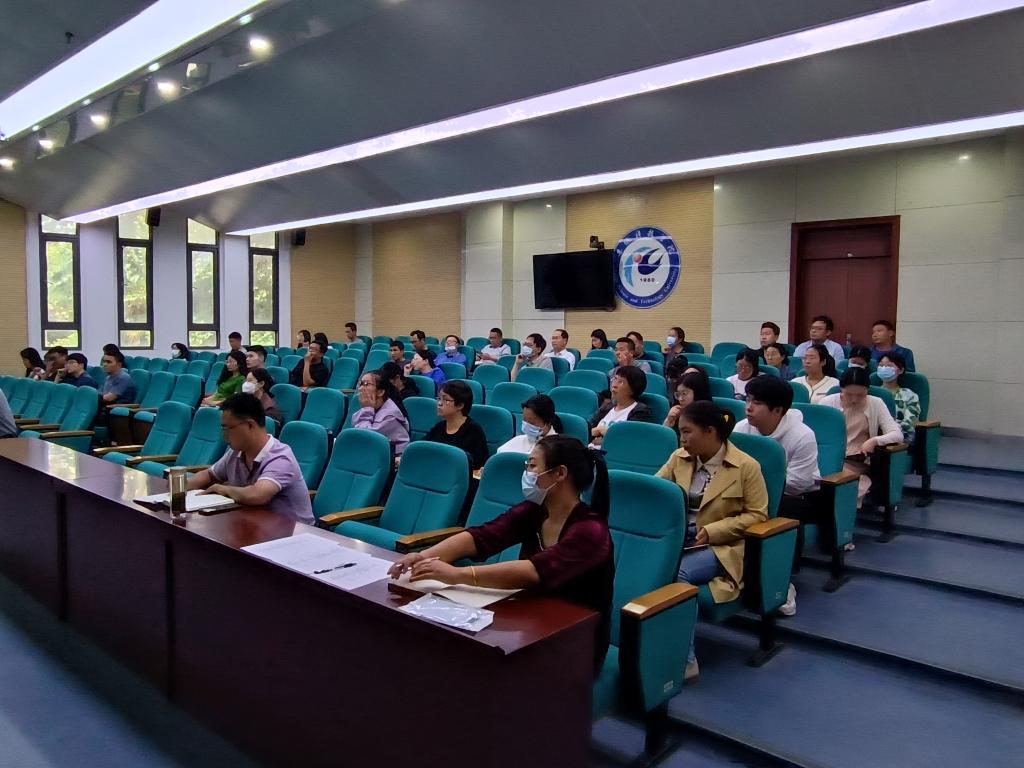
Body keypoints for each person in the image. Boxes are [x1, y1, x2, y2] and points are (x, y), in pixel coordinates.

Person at [388, 435, 614, 673]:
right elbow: (483, 536)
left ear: (559, 473)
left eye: (532, 465)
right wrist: (425, 556)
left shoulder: (590, 530)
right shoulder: (535, 511)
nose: (527, 473)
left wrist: (457, 575)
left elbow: (534, 571)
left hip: (576, 640)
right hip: (529, 618)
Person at [656, 401, 768, 680]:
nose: (681, 439)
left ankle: (686, 660)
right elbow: (657, 493)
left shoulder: (746, 467)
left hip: (722, 545)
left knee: (677, 574)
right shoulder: (679, 458)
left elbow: (757, 515)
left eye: (687, 432)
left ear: (710, 431)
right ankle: (651, 646)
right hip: (680, 539)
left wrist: (713, 531)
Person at [733, 375, 820, 616]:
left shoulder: (802, 435)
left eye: (757, 403)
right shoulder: (741, 429)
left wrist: (754, 488)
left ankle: (783, 581)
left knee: (782, 512)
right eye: (748, 399)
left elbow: (799, 482)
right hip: (751, 494)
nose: (748, 407)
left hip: (798, 497)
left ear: (778, 410)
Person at [187, 394, 313, 524]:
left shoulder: (280, 458)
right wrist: (179, 489)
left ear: (250, 425)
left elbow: (257, 495)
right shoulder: (236, 452)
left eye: (228, 428)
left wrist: (223, 489)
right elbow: (209, 475)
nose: (224, 436)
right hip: (254, 524)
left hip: (294, 531)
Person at [820, 367, 903, 506]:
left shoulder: (876, 403)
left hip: (856, 462)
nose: (854, 400)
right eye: (848, 394)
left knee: (839, 486)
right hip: (829, 460)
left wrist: (875, 440)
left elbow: (897, 434)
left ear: (867, 390)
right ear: (841, 389)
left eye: (860, 395)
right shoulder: (827, 403)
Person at [424, 380, 488, 470]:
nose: (439, 403)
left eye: (445, 400)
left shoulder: (473, 431)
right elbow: (423, 449)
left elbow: (477, 466)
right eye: (439, 398)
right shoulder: (439, 427)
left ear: (460, 405)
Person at [588, 366, 653, 447]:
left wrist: (602, 432)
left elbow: (627, 440)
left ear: (633, 389)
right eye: (615, 379)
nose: (614, 385)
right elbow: (587, 432)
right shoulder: (606, 407)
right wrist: (599, 430)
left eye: (621, 382)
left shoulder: (640, 412)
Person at [352, 370, 411, 456]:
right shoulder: (372, 408)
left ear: (380, 392)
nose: (360, 388)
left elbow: (365, 438)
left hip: (391, 460)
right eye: (360, 384)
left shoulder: (390, 416)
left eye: (366, 384)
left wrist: (366, 409)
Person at [878, 352, 920, 445]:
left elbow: (909, 423)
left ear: (900, 370)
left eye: (889, 366)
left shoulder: (909, 395)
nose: (884, 368)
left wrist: (889, 434)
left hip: (899, 440)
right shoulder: (872, 392)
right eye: (881, 365)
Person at [497, 394, 561, 453]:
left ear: (547, 423)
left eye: (531, 423)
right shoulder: (518, 440)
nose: (526, 425)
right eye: (524, 420)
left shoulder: (556, 447)